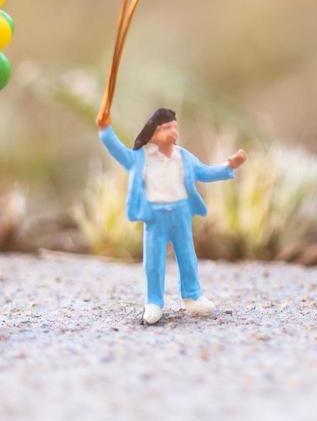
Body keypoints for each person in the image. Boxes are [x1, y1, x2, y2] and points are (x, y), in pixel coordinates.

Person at [97, 107, 246, 325]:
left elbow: (204, 172)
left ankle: (193, 296)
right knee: (154, 260)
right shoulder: (140, 157)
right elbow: (117, 149)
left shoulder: (183, 157)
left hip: (181, 212)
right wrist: (105, 129)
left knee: (187, 255)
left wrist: (228, 166)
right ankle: (154, 302)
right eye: (167, 127)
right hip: (155, 215)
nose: (173, 131)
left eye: (175, 127)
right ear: (154, 132)